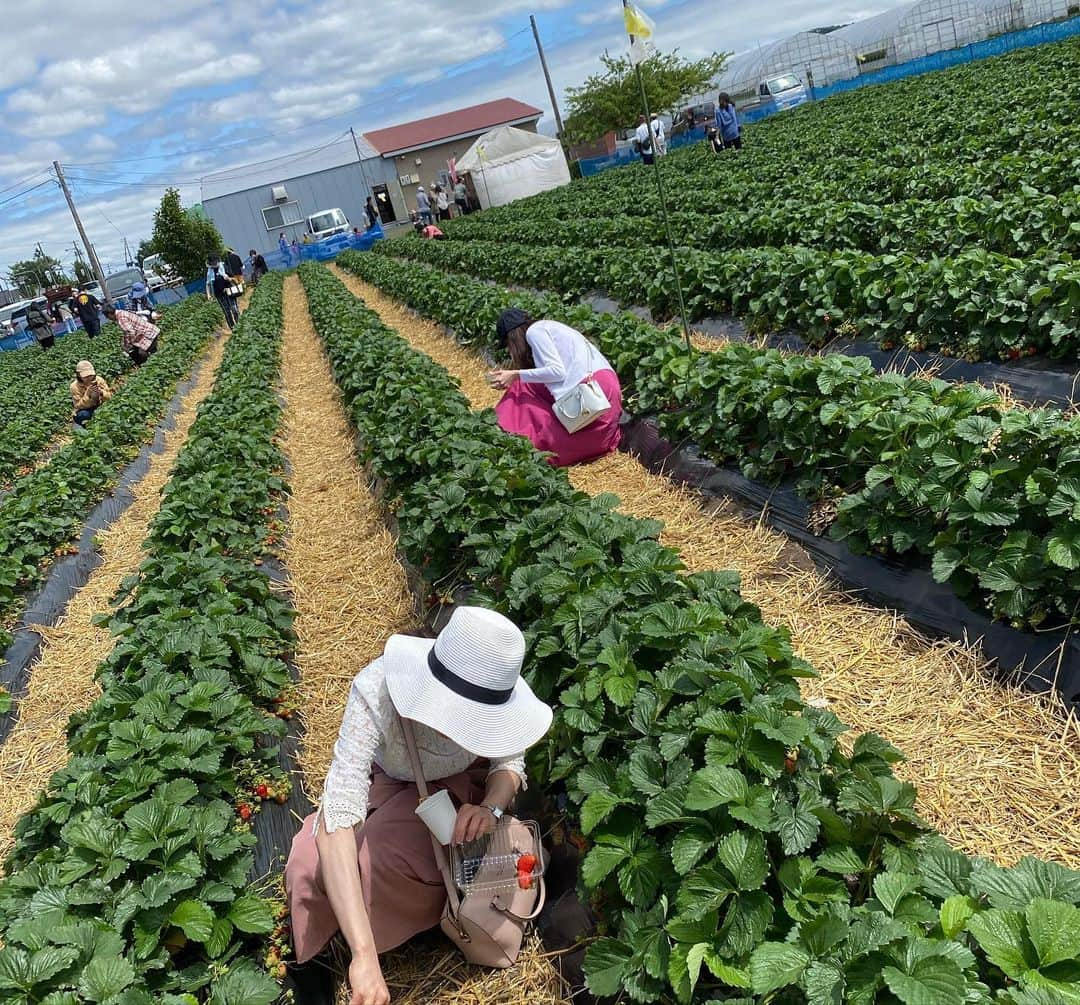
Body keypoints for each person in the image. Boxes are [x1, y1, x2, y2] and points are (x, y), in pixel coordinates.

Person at [285, 607, 552, 1004]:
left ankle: (417, 919)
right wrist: (362, 957)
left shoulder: (494, 684)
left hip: (458, 790)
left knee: (386, 860)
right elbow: (339, 811)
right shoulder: (377, 688)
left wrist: (490, 808)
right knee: (309, 862)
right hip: (393, 780)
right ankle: (335, 950)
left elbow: (509, 764)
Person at [489, 309, 623, 467]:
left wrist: (516, 374)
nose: (509, 351)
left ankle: (501, 430)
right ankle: (511, 432)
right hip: (606, 395)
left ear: (513, 337)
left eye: (507, 345)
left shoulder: (534, 332)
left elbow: (557, 372)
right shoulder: (550, 328)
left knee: (522, 386)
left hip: (594, 390)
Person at [70, 360, 112, 426]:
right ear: (79, 375)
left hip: (102, 405)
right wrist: (87, 395)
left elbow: (110, 397)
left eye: (91, 375)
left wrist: (101, 392)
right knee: (82, 415)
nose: (89, 378)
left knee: (111, 410)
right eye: (85, 376)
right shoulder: (74, 386)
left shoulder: (99, 380)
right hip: (87, 409)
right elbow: (78, 405)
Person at [206, 256, 239, 330]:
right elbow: (208, 284)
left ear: (217, 260)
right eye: (212, 263)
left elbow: (234, 279)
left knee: (235, 310)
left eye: (215, 262)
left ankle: (239, 324)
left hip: (229, 291)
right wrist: (209, 295)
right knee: (227, 312)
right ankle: (233, 328)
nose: (214, 264)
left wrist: (229, 279)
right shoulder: (210, 272)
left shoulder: (224, 267)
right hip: (219, 294)